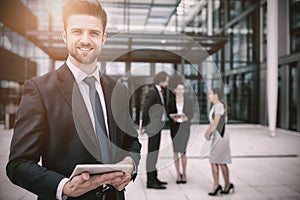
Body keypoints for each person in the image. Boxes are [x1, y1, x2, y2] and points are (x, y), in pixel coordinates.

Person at [6, 1, 141, 200]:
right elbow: (19, 165)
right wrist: (65, 187)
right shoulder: (39, 90)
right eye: (77, 31)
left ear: (103, 38)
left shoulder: (118, 90)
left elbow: (132, 141)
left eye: (94, 33)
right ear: (64, 36)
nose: (85, 40)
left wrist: (130, 163)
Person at [140, 71, 169, 189]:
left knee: (155, 153)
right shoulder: (152, 92)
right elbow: (145, 108)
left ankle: (154, 177)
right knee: (152, 153)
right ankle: (150, 181)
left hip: (157, 127)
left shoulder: (159, 91)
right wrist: (144, 126)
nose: (168, 83)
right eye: (167, 80)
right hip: (152, 128)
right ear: (161, 81)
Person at [204, 88, 234, 196]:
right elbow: (213, 123)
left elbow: (216, 122)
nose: (209, 96)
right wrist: (208, 132)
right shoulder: (216, 106)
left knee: (216, 161)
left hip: (221, 136)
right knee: (219, 161)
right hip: (217, 136)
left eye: (210, 94)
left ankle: (218, 185)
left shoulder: (219, 106)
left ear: (216, 95)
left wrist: (207, 133)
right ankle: (225, 184)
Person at [167, 82, 193, 184]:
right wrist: (173, 117)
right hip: (175, 128)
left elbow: (192, 114)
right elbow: (168, 112)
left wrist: (187, 117)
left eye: (182, 89)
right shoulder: (171, 101)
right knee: (175, 152)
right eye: (179, 89)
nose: (181, 91)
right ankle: (178, 174)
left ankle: (184, 173)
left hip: (185, 128)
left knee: (183, 152)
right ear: (175, 90)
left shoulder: (188, 101)